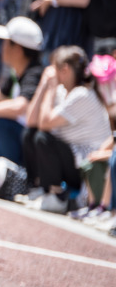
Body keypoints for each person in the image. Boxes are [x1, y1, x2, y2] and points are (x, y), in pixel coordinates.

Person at [22, 45, 112, 213]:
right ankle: (41, 189)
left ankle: (57, 196)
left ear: (65, 69)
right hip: (75, 160)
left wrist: (49, 87)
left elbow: (44, 124)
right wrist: (43, 85)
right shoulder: (64, 91)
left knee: (42, 138)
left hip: (89, 168)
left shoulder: (83, 95)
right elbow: (31, 121)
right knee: (30, 134)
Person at [0, 16, 44, 170]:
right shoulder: (17, 71)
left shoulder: (36, 72)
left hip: (30, 140)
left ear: (18, 49)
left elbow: (21, 106)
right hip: (18, 133)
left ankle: (7, 177)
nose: (2, 47)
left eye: (5, 42)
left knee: (1, 123)